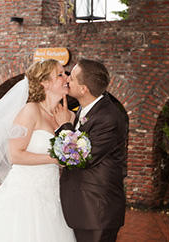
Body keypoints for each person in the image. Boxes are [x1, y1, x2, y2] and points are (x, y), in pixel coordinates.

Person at [0, 59, 76, 242]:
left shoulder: (68, 115)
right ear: (44, 83)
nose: (67, 78)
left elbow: (72, 151)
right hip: (25, 192)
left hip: (52, 192)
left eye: (66, 73)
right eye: (60, 75)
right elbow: (15, 154)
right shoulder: (30, 110)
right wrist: (55, 158)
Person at [54, 58, 127, 242]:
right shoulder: (86, 108)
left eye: (72, 77)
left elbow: (80, 158)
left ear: (84, 89)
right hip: (81, 206)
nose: (67, 79)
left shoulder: (108, 118)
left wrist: (65, 126)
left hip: (97, 211)